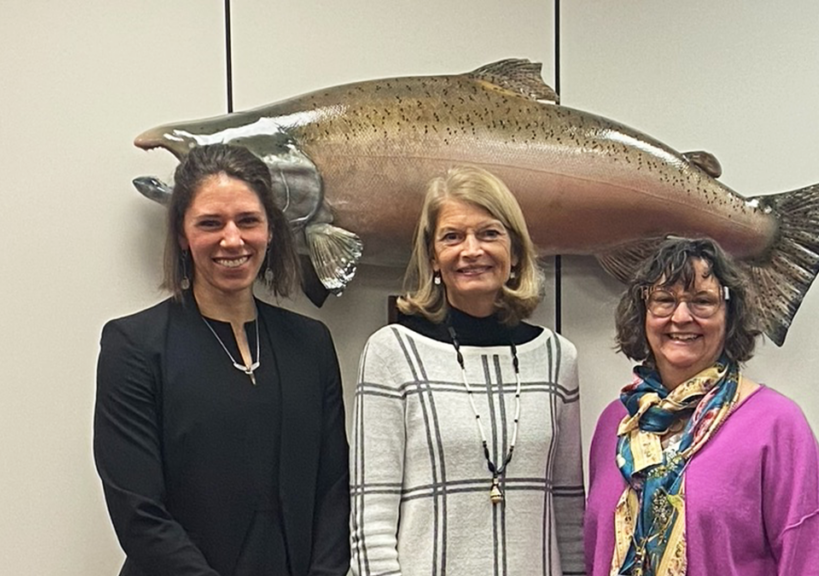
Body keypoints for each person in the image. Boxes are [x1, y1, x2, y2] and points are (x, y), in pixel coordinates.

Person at [94, 144, 349, 576]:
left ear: (270, 230)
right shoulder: (134, 346)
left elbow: (333, 491)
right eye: (210, 224)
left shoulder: (311, 344)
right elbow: (139, 512)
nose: (232, 239)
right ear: (182, 234)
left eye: (248, 220)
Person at [349, 166, 585, 576]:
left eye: (489, 233)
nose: (471, 250)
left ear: (514, 253)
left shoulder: (556, 357)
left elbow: (568, 512)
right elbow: (371, 517)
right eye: (452, 237)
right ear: (433, 259)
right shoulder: (393, 352)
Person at [584, 237, 819, 576]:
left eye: (702, 301)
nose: (681, 316)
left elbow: (806, 559)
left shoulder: (776, 425)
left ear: (730, 316)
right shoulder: (617, 422)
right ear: (643, 313)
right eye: (664, 300)